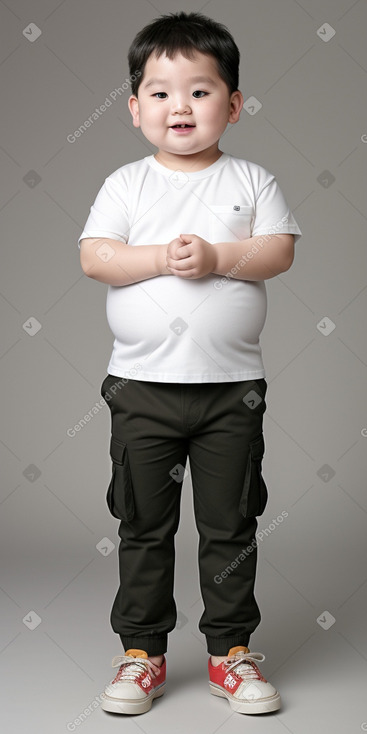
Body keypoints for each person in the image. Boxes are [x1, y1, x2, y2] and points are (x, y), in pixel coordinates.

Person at [77, 10, 302, 717]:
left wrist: (214, 257)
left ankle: (228, 652)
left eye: (201, 92)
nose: (182, 106)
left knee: (229, 525)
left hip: (231, 393)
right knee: (143, 524)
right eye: (163, 91)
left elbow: (277, 251)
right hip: (142, 390)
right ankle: (141, 652)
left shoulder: (251, 178)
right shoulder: (126, 185)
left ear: (232, 105)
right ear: (135, 107)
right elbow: (95, 258)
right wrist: (155, 260)